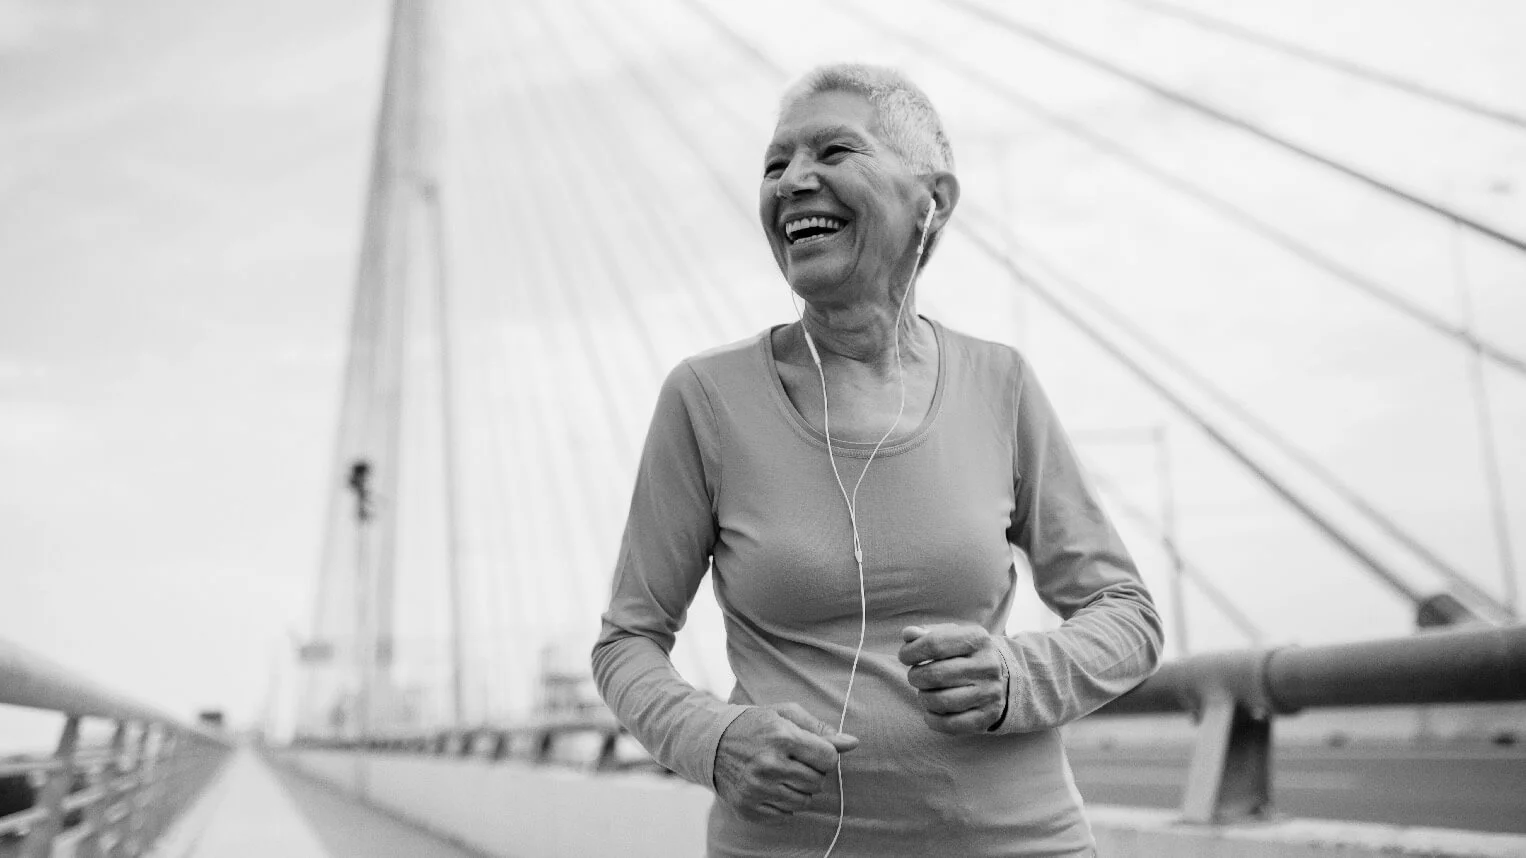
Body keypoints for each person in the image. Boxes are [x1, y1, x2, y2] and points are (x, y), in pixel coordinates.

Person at [592, 63, 1163, 858]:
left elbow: (1127, 616)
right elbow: (626, 640)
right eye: (773, 164)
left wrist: (1016, 677)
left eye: (832, 151)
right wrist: (712, 739)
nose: (793, 182)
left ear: (934, 200)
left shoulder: (1000, 385)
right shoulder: (705, 399)